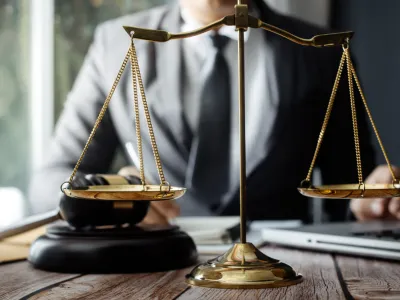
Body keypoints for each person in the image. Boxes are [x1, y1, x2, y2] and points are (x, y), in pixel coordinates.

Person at [28, 0, 396, 225]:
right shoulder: (116, 44)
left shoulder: (320, 51)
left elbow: (350, 187)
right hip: (157, 259)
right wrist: (107, 202)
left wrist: (375, 199)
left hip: (281, 270)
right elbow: (50, 181)